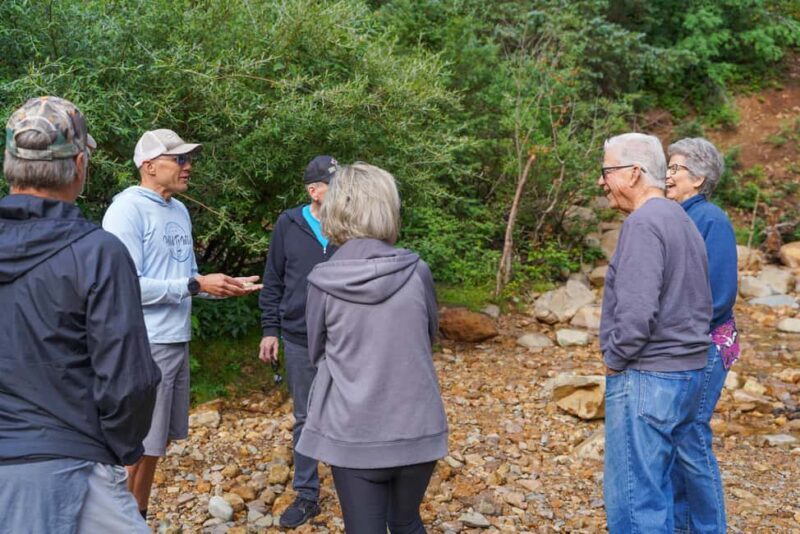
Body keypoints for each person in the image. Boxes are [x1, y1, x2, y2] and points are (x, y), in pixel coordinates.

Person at [0, 96, 161, 533]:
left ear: (9, 164)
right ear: (78, 164)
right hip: (69, 456)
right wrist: (115, 446)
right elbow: (130, 381)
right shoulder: (98, 253)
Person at [102, 128, 261, 520]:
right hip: (142, 343)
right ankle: (113, 521)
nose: (188, 166)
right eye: (180, 159)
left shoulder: (179, 210)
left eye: (188, 159)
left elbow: (187, 278)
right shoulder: (127, 209)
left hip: (174, 341)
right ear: (149, 166)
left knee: (156, 444)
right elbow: (125, 286)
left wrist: (220, 286)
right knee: (134, 445)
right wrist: (194, 283)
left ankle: (138, 515)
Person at [297, 162, 448, 534]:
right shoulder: (418, 271)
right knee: (407, 522)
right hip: (418, 427)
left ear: (336, 209)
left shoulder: (322, 281)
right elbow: (427, 338)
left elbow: (316, 350)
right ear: (387, 208)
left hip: (353, 432)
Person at [598, 133, 713, 533]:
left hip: (649, 377)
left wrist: (613, 360)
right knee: (659, 492)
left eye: (606, 171)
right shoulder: (681, 218)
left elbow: (637, 313)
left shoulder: (644, 224)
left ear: (633, 173)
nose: (601, 182)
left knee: (636, 504)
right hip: (686, 374)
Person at [258, 155, 338, 528]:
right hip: (297, 336)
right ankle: (307, 494)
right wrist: (269, 329)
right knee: (305, 417)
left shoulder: (349, 225)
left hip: (344, 337)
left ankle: (357, 487)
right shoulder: (288, 225)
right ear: (314, 190)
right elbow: (273, 280)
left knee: (347, 413)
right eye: (336, 186)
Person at [666, 137, 738, 533]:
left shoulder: (711, 219)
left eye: (675, 168)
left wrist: (675, 330)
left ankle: (709, 528)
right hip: (684, 343)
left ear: (700, 177)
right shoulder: (678, 216)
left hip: (707, 344)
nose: (668, 175)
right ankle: (682, 526)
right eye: (669, 167)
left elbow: (721, 294)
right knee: (677, 435)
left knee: (691, 433)